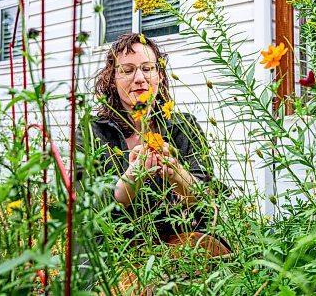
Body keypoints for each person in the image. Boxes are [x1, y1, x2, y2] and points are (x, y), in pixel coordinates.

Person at [76, 32, 230, 292]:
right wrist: (131, 179)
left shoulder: (183, 126)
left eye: (148, 68)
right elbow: (87, 204)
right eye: (127, 70)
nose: (140, 78)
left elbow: (206, 197)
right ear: (112, 79)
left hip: (177, 241)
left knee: (207, 262)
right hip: (115, 249)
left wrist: (175, 172)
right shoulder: (90, 132)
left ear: (160, 75)